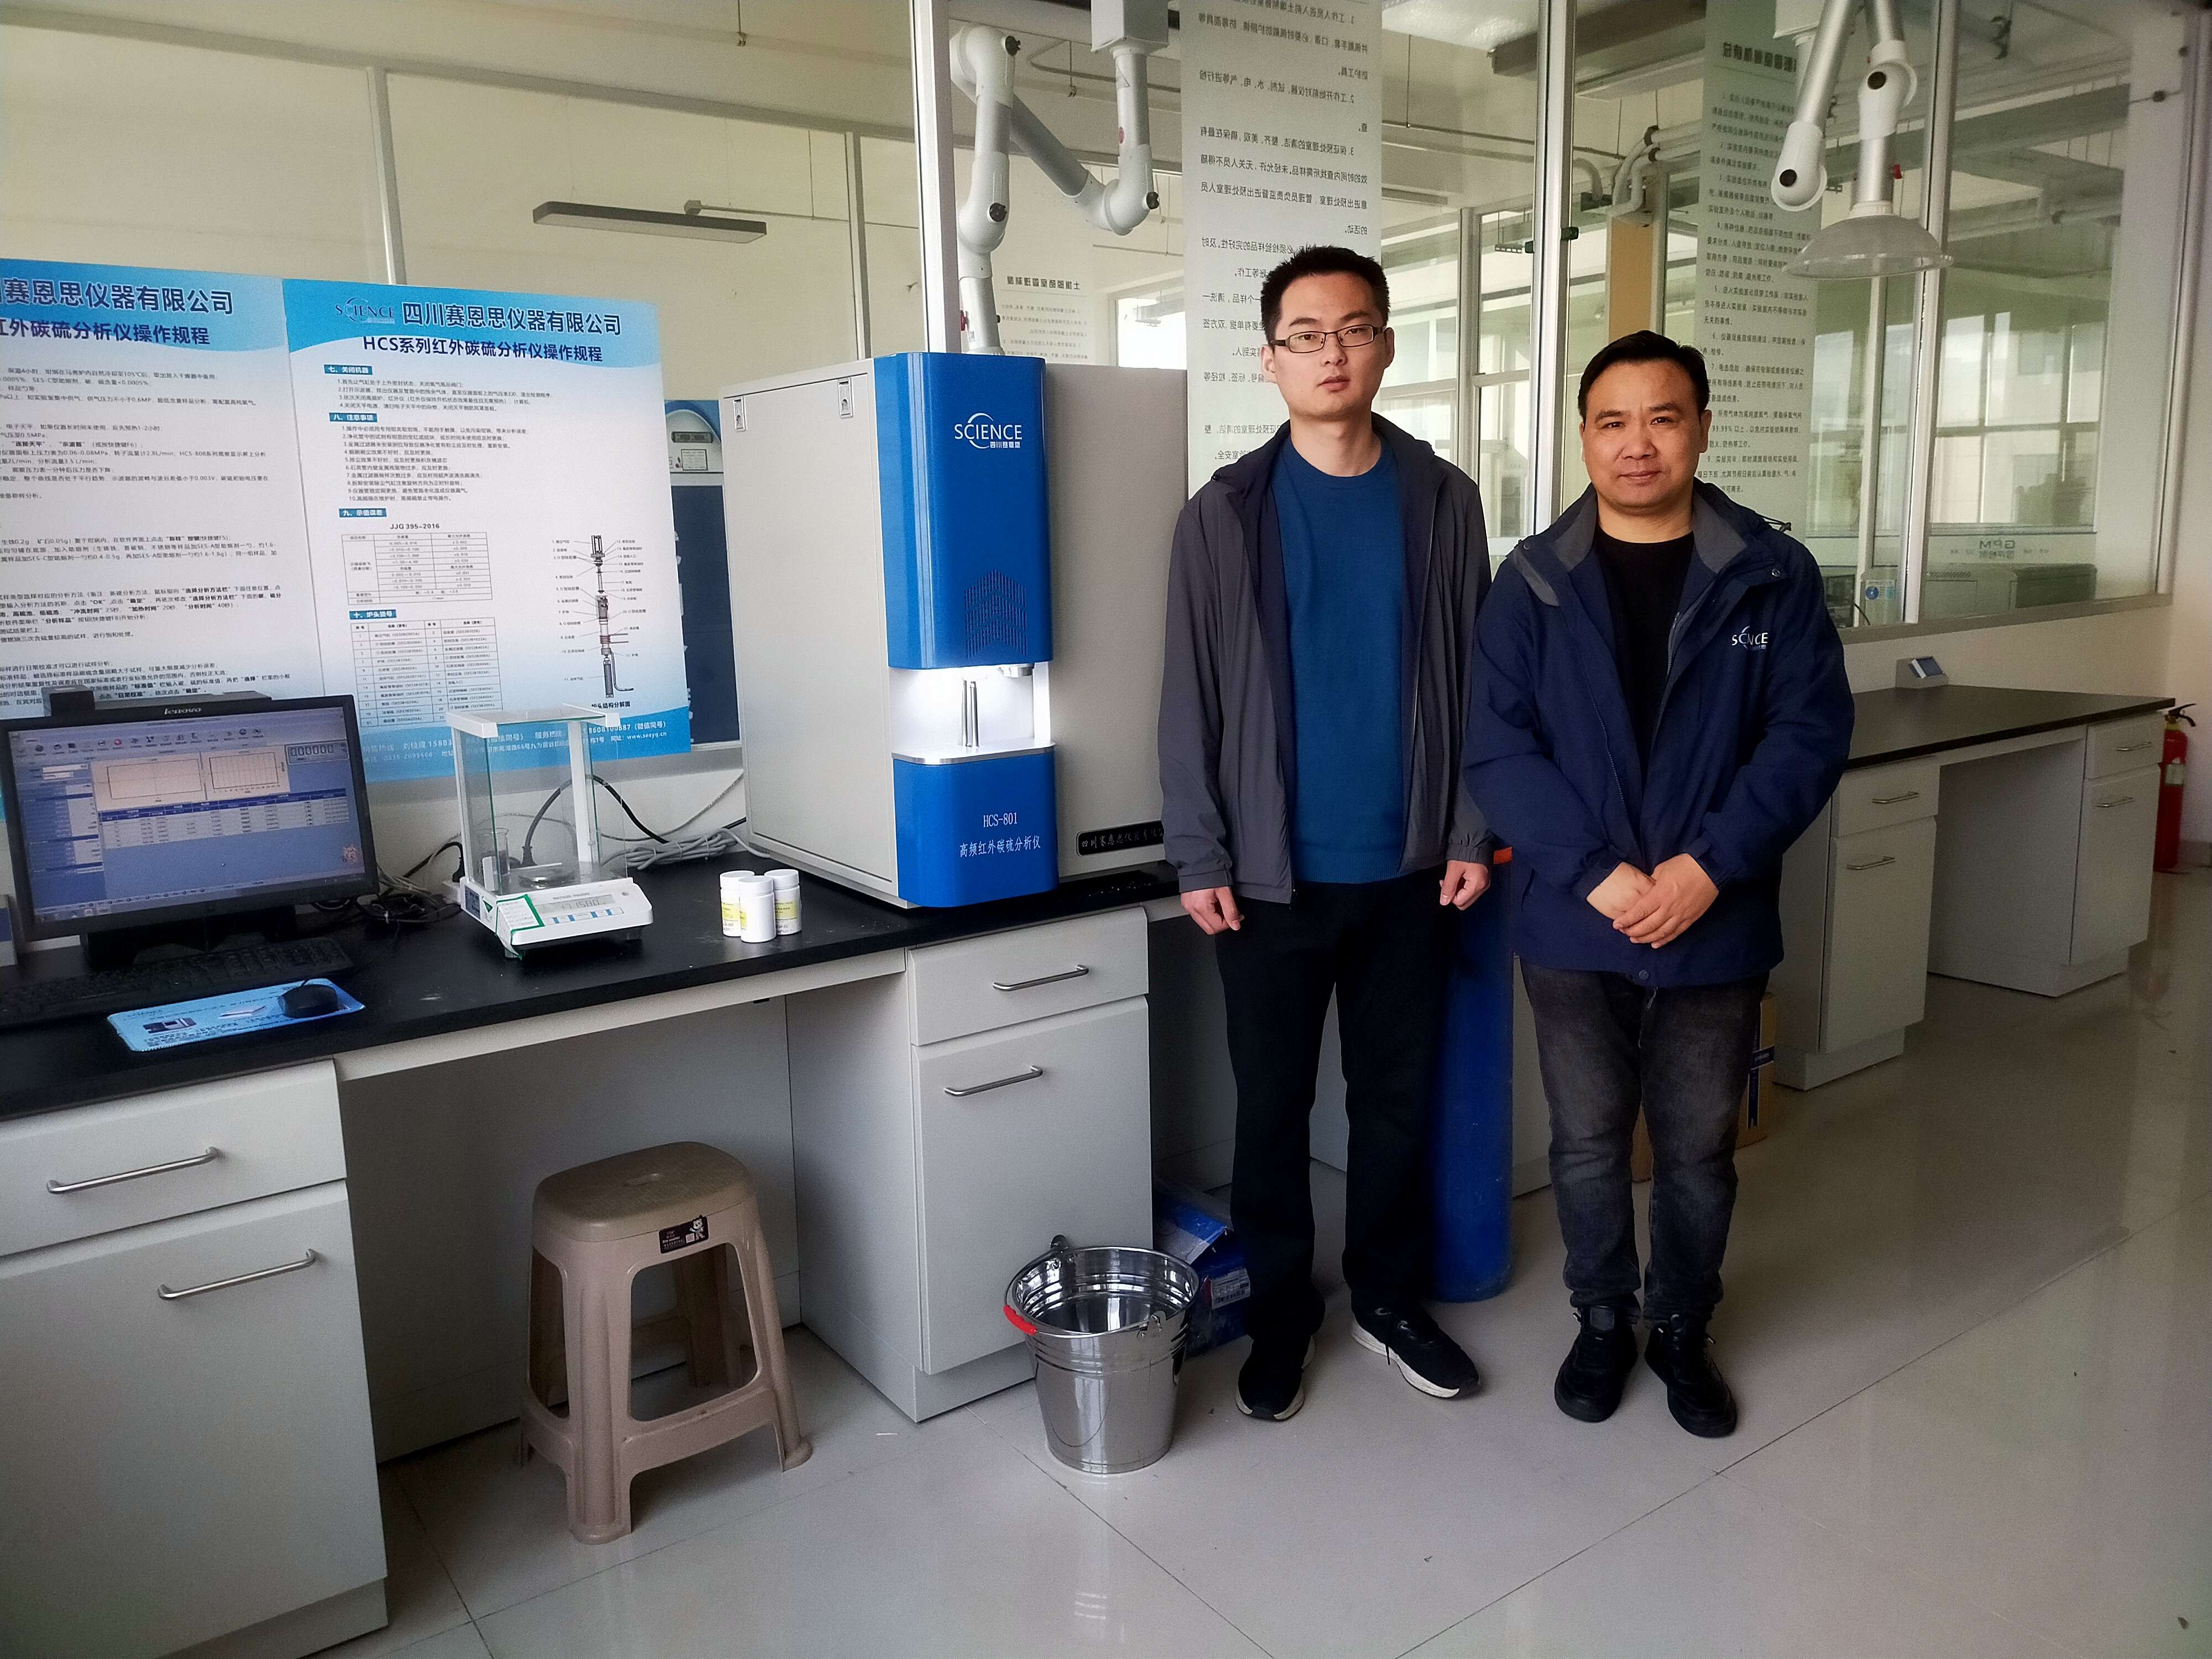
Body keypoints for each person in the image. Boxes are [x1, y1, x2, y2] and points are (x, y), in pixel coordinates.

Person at [1464, 330, 1853, 1438]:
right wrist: (1595, 874)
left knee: (1693, 1147)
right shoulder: (1531, 583)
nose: (1637, 443)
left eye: (1662, 417)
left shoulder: (1770, 574)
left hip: (1712, 916)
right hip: (1572, 918)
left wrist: (1705, 868)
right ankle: (1601, 1318)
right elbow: (1497, 749)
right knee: (1588, 1140)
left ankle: (1682, 1324)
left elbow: (1806, 737)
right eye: (1612, 421)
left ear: (1701, 429)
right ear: (1583, 437)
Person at [1158, 245, 1495, 1422]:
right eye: (1305, 335)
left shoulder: (1443, 501)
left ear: (1386, 345)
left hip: (1413, 869)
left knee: (1395, 1103)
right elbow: (1188, 696)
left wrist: (1471, 828)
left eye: (1353, 329)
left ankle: (1387, 1300)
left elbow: (1481, 681)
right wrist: (1199, 852)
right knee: (1271, 1113)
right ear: (1270, 360)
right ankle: (1281, 1317)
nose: (1331, 353)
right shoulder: (1223, 515)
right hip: (1267, 880)